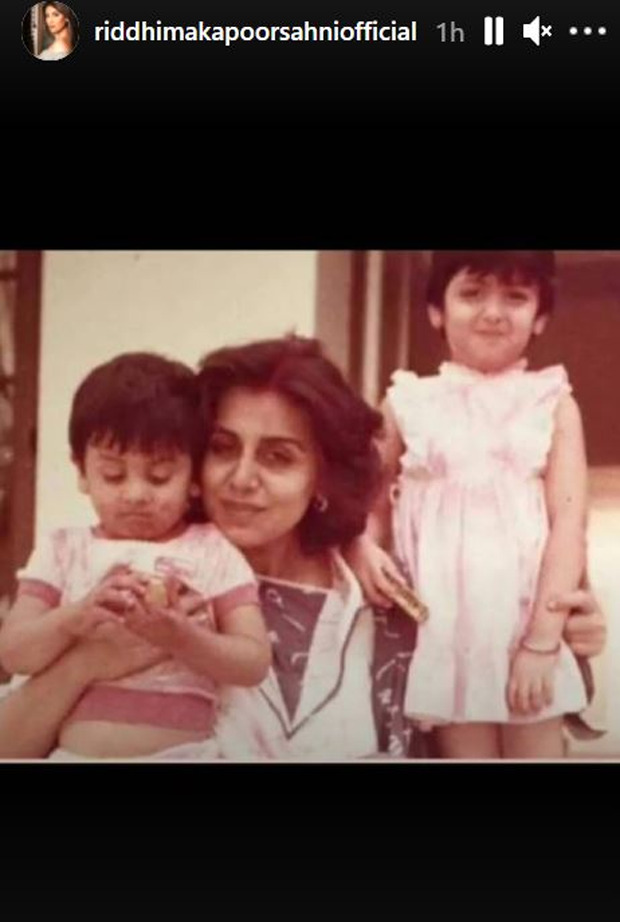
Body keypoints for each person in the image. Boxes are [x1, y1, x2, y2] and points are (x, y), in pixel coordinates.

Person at [0, 336, 607, 760]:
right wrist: (86, 664)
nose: (242, 478)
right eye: (221, 447)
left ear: (323, 475)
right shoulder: (120, 572)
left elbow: (499, 687)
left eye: (278, 456)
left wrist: (564, 629)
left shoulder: (389, 598)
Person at [347, 251, 591, 759]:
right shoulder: (407, 402)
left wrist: (542, 642)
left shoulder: (552, 402)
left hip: (525, 626)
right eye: (472, 293)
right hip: (445, 631)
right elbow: (369, 502)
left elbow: (569, 523)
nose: (493, 312)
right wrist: (366, 546)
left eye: (516, 297)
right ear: (437, 310)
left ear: (540, 316)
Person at [0, 353, 270, 759]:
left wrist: (182, 636)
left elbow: (252, 662)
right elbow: (15, 653)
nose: (136, 494)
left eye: (160, 476)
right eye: (113, 474)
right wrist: (76, 617)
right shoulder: (63, 549)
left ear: (194, 479)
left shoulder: (211, 549)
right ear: (81, 473)